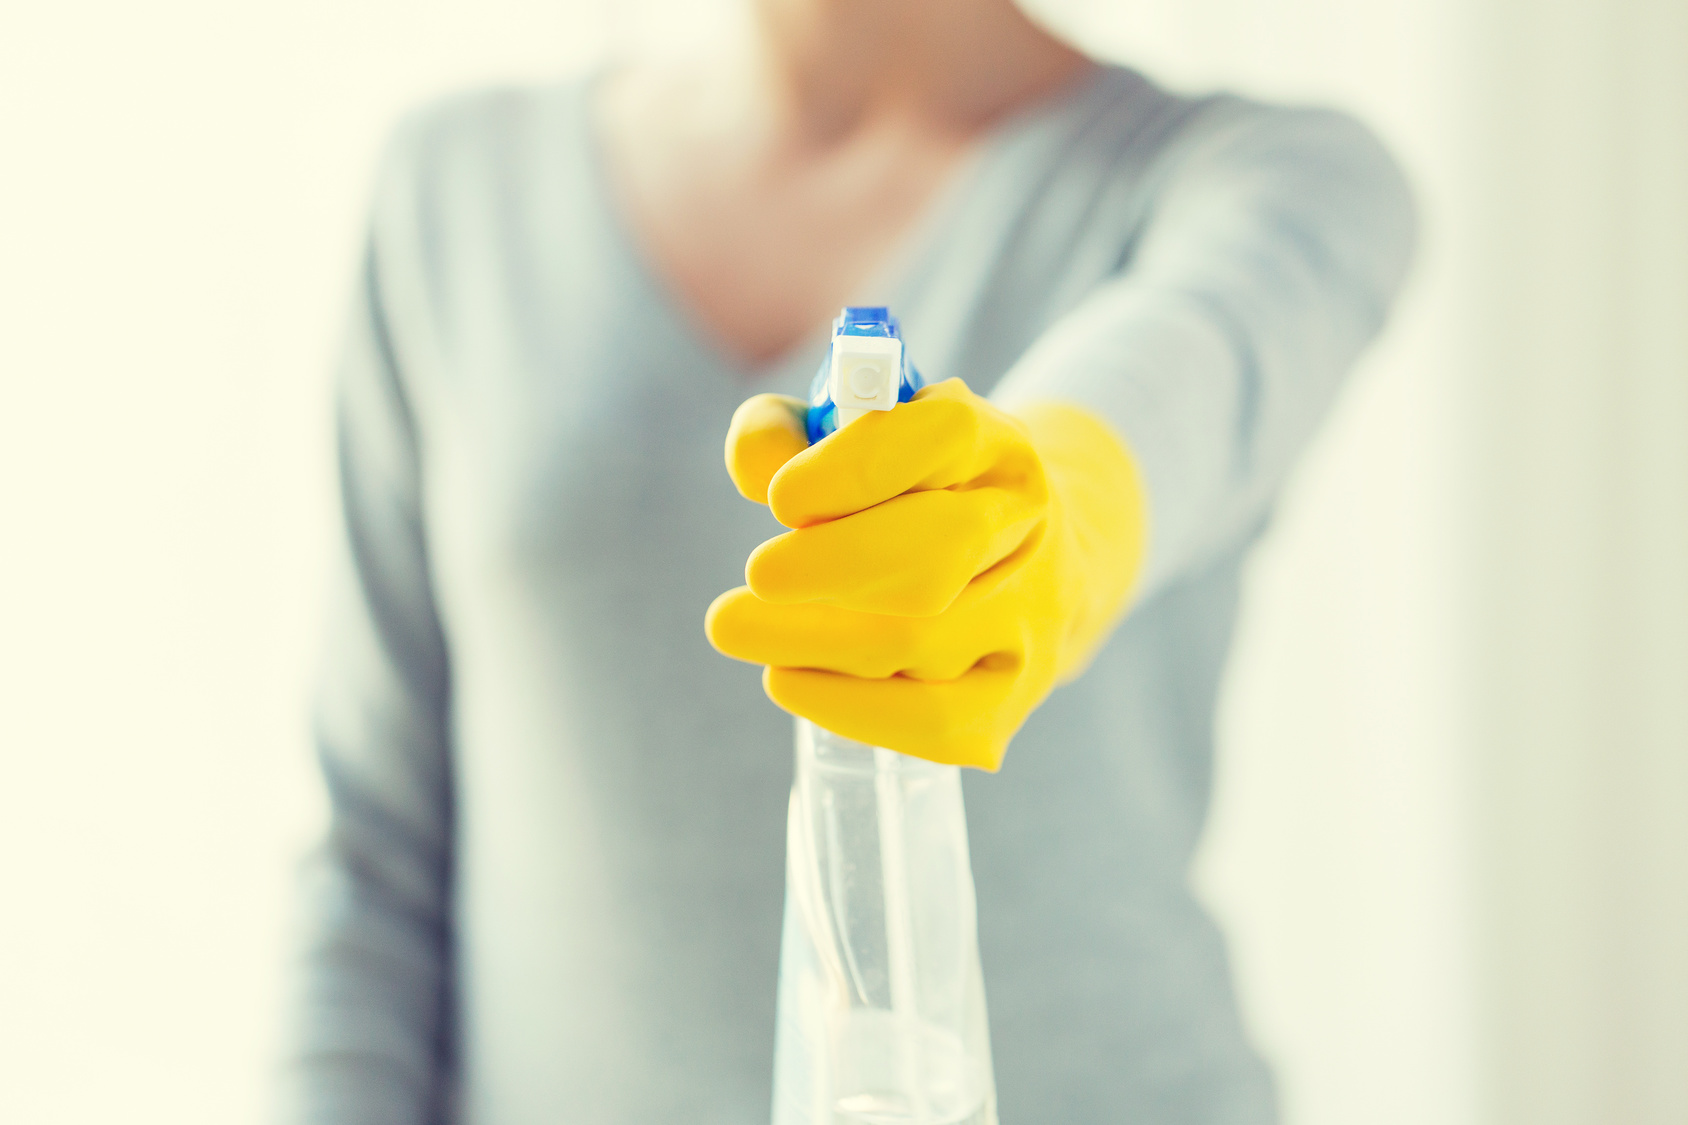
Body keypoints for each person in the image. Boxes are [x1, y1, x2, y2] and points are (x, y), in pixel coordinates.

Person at [277, 0, 1415, 1121]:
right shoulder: (455, 194)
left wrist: (1048, 514)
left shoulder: (1263, 180)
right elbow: (375, 858)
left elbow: (1191, 375)